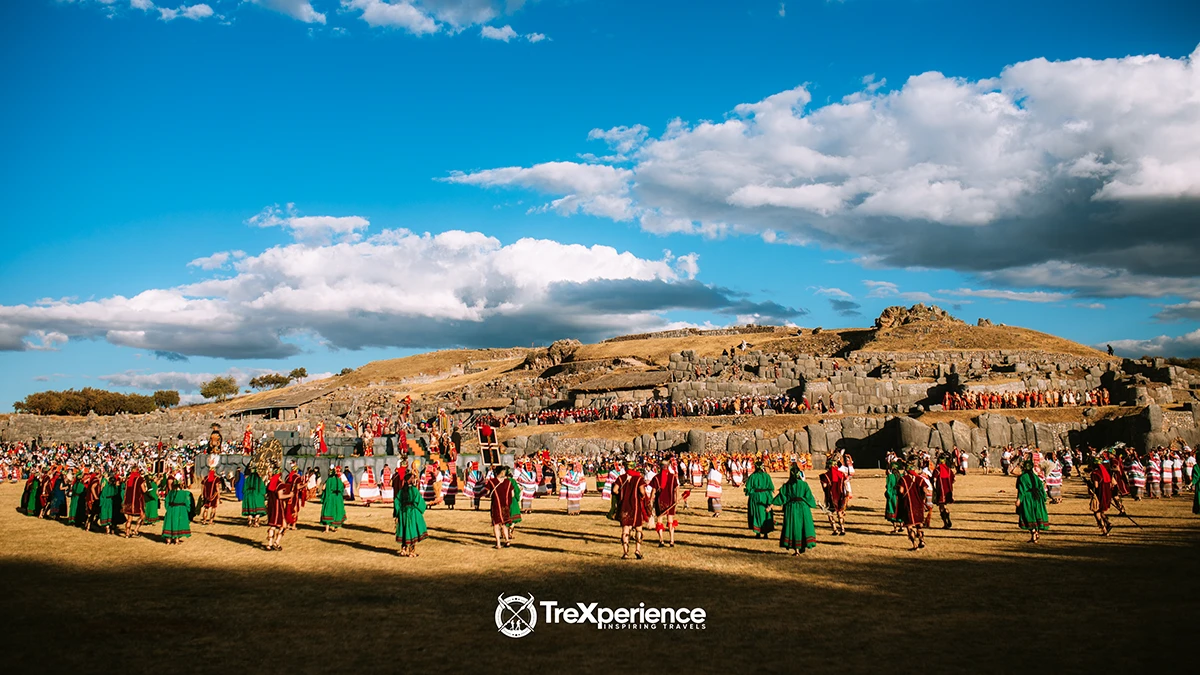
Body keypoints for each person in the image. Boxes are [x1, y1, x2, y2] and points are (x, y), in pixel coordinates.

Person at [772, 465, 818, 555]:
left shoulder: (787, 485)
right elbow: (809, 496)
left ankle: (797, 550)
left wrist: (771, 505)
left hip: (791, 508)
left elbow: (782, 496)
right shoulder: (804, 484)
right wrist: (812, 502)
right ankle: (803, 545)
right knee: (803, 526)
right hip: (803, 508)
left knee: (794, 527)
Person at [612, 460, 650, 560]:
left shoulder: (621, 478)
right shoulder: (638, 479)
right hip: (636, 506)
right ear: (634, 468)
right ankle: (637, 550)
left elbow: (614, 490)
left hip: (624, 506)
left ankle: (625, 553)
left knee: (625, 529)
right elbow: (642, 492)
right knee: (638, 529)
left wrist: (621, 494)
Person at [484, 466, 519, 549]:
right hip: (506, 506)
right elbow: (513, 494)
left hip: (496, 505)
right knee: (504, 524)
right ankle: (507, 540)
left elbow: (487, 493)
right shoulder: (508, 482)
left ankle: (498, 544)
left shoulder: (492, 482)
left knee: (496, 524)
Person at [1015, 459, 1049, 543]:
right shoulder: (1035, 476)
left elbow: (1022, 489)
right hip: (1037, 498)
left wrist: (1019, 499)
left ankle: (1034, 533)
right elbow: (1041, 488)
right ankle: (1035, 534)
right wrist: (1044, 498)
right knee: (1037, 515)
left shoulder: (1022, 477)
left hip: (1028, 498)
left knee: (1029, 516)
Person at [395, 471, 428, 557]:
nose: (414, 480)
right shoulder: (414, 490)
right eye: (412, 478)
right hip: (412, 513)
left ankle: (403, 550)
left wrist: (397, 513)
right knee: (413, 530)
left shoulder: (401, 491)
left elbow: (397, 502)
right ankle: (411, 552)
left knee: (404, 530)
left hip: (403, 512)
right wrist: (423, 507)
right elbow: (419, 501)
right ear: (409, 480)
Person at [897, 463, 928, 551]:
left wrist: (900, 496)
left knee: (909, 525)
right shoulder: (920, 479)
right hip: (919, 505)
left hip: (908, 504)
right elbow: (925, 490)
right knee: (919, 524)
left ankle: (914, 544)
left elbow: (901, 490)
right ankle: (921, 540)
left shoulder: (903, 479)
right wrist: (923, 500)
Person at [649, 459, 678, 546]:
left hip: (660, 501)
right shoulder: (673, 477)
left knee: (660, 520)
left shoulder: (656, 478)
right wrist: (676, 500)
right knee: (670, 520)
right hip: (671, 500)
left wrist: (651, 500)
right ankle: (672, 541)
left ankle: (661, 540)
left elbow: (653, 490)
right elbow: (676, 489)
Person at [264, 469, 294, 551]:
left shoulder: (270, 484)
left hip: (271, 506)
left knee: (272, 526)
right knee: (284, 526)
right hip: (277, 507)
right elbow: (280, 496)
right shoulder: (279, 484)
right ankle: (276, 543)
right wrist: (289, 495)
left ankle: (269, 544)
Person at [744, 461, 775, 538]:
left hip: (755, 497)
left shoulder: (752, 476)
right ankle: (765, 533)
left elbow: (748, 488)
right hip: (765, 496)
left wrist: (750, 492)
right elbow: (771, 487)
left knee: (756, 513)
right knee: (765, 514)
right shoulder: (767, 476)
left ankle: (758, 532)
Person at [1085, 459, 1115, 536]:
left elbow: (1096, 485)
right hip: (1107, 494)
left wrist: (1089, 483)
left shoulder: (1095, 473)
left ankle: (1104, 530)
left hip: (1100, 495)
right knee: (1101, 511)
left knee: (1097, 512)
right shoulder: (1104, 472)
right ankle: (1108, 523)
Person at [818, 461, 848, 536]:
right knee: (839, 512)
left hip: (831, 497)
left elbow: (824, 486)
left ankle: (835, 529)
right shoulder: (841, 474)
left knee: (830, 513)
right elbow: (845, 484)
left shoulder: (825, 475)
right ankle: (842, 529)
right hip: (840, 496)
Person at [161, 476, 192, 545]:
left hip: (171, 509)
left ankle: (168, 541)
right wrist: (187, 509)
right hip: (181, 510)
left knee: (170, 523)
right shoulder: (184, 493)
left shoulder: (170, 493)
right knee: (178, 524)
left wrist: (168, 509)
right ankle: (176, 540)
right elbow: (187, 502)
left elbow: (166, 502)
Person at [122, 467, 148, 538]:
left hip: (128, 501)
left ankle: (127, 534)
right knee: (142, 516)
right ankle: (135, 530)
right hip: (137, 501)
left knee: (129, 519)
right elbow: (144, 490)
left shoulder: (128, 479)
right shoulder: (139, 479)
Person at [320, 467, 347, 532]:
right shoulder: (339, 480)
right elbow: (342, 487)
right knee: (337, 511)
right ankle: (336, 527)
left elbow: (323, 488)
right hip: (338, 498)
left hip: (330, 497)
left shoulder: (328, 480)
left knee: (328, 511)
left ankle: (327, 529)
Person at [931, 457, 955, 529]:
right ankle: (948, 517)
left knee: (941, 507)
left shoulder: (937, 470)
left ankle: (945, 523)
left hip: (940, 491)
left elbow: (934, 479)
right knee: (945, 506)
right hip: (948, 491)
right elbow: (954, 480)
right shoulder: (949, 470)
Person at [883, 462, 903, 534]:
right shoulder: (901, 476)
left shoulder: (890, 477)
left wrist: (888, 495)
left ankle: (895, 528)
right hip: (900, 496)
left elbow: (889, 487)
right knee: (900, 510)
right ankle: (901, 526)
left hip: (893, 496)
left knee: (893, 511)